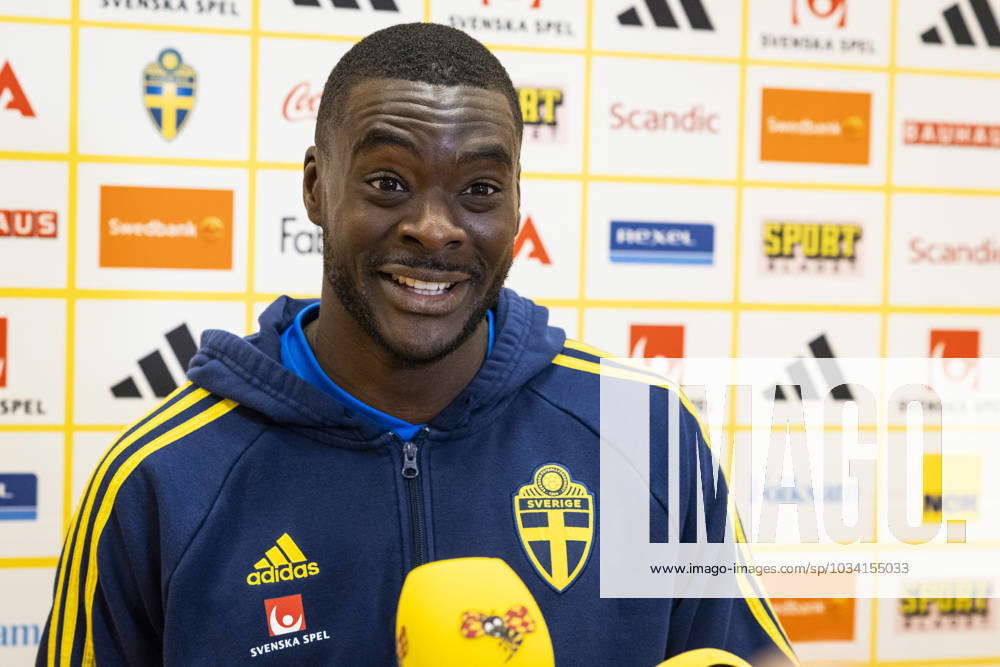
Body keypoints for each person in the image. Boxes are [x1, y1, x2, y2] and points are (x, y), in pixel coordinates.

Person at [37, 22, 797, 666]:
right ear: (315, 187)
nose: (436, 228)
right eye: (388, 183)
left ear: (517, 207)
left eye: (480, 191)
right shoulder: (160, 482)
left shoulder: (649, 436)